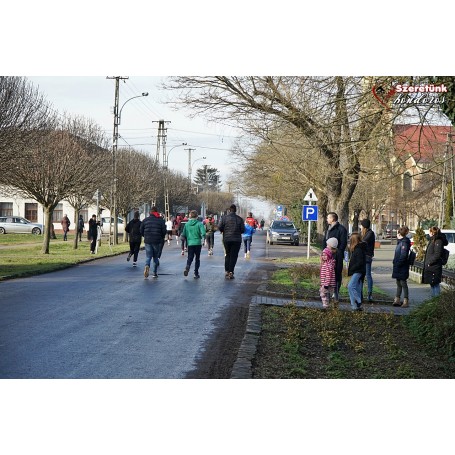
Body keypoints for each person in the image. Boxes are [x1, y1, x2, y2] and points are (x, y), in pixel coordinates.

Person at [323, 212, 348, 303]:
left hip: (337, 256)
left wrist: (338, 253)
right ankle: (328, 293)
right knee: (328, 274)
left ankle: (336, 293)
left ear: (333, 219)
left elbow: (343, 243)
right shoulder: (328, 229)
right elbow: (324, 241)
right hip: (328, 255)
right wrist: (324, 252)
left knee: (337, 274)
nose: (326, 219)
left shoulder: (341, 229)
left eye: (328, 218)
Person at [218, 204, 245, 279]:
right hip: (236, 240)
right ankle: (231, 271)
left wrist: (223, 230)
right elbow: (243, 230)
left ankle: (227, 270)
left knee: (228, 254)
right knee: (234, 256)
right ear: (235, 210)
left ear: (229, 210)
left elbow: (219, 227)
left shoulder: (224, 218)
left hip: (227, 239)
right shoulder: (240, 219)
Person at [140, 206, 166, 278]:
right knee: (155, 257)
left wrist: (144, 235)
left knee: (148, 256)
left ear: (150, 212)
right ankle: (154, 273)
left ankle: (147, 265)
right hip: (157, 240)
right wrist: (161, 237)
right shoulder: (160, 220)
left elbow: (141, 230)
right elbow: (164, 231)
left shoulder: (145, 220)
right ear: (157, 212)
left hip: (148, 240)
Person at [422, 226, 449, 298]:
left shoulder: (438, 241)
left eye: (429, 232)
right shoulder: (433, 240)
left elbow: (437, 254)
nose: (429, 233)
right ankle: (434, 300)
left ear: (432, 232)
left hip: (434, 266)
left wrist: (429, 262)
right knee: (432, 284)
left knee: (435, 284)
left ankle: (436, 301)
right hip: (431, 266)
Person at [181, 210, 206, 278]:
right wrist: (202, 238)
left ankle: (188, 266)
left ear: (190, 216)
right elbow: (203, 233)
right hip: (198, 243)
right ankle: (196, 273)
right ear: (197, 216)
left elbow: (184, 234)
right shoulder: (199, 224)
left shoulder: (187, 224)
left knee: (190, 257)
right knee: (197, 258)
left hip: (190, 243)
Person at [392, 226, 411, 307]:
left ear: (399, 234)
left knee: (403, 283)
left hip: (402, 266)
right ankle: (397, 299)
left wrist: (398, 263)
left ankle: (406, 300)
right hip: (398, 265)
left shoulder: (404, 243)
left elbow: (403, 255)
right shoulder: (401, 242)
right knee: (398, 282)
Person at [347, 232, 366, 311]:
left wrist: (352, 268)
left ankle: (358, 301)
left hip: (358, 271)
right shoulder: (357, 249)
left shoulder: (358, 250)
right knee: (356, 288)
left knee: (351, 286)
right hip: (358, 271)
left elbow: (359, 262)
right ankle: (354, 305)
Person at [360, 218, 376, 302]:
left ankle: (369, 294)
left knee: (368, 275)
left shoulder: (370, 233)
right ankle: (361, 294)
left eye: (361, 225)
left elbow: (363, 242)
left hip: (367, 256)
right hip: (363, 256)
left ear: (364, 226)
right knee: (362, 276)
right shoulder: (365, 233)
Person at [320, 237, 338, 309]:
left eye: (325, 255)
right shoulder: (327, 263)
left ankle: (325, 305)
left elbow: (328, 275)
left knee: (323, 294)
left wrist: (326, 284)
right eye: (323, 255)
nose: (324, 257)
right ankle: (327, 304)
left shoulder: (328, 264)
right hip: (326, 283)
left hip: (327, 283)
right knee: (326, 294)